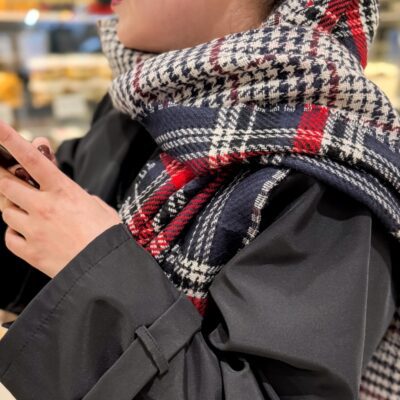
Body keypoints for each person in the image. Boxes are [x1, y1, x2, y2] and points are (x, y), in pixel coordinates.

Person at [0, 0, 399, 398]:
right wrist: (21, 203)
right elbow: (45, 279)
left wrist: (94, 263)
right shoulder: (144, 99)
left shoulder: (324, 182)